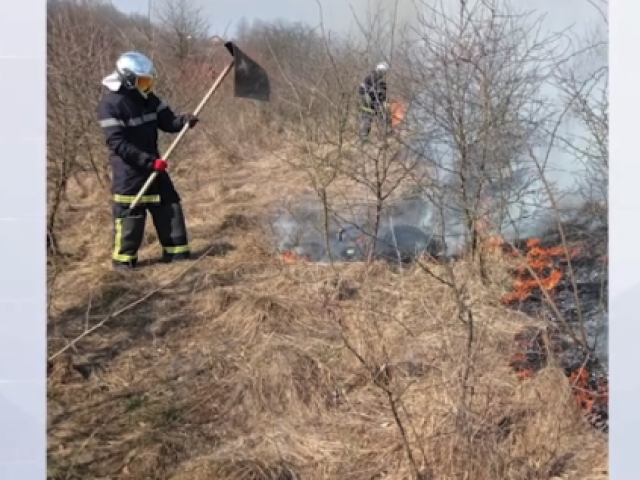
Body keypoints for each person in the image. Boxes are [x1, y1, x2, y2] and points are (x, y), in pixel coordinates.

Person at [96, 51, 199, 270]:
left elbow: (169, 122)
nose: (147, 86)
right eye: (142, 81)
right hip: (130, 173)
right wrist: (148, 162)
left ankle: (177, 258)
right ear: (128, 79)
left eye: (149, 81)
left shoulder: (149, 99)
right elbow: (117, 144)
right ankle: (124, 265)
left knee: (170, 207)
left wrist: (184, 121)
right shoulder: (109, 105)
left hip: (155, 168)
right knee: (130, 219)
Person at [358, 61, 390, 142]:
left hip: (377, 104)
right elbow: (361, 89)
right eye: (381, 71)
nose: (382, 73)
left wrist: (384, 103)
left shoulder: (382, 82)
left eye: (383, 72)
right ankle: (364, 138)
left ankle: (384, 134)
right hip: (367, 104)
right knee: (367, 120)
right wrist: (366, 97)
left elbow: (383, 95)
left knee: (383, 117)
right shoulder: (369, 79)